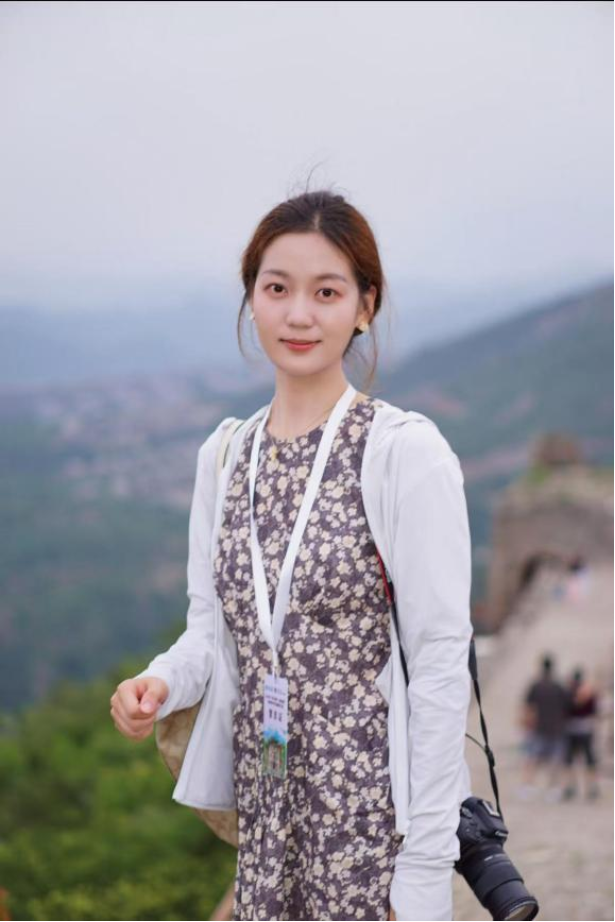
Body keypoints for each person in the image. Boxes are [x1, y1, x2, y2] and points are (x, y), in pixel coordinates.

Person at [109, 186, 475, 921]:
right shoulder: (225, 456)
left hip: (371, 828)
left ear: (365, 306)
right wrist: (161, 681)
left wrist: (424, 868)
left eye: (326, 292)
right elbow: (212, 632)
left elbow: (440, 663)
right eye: (277, 289)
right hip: (268, 818)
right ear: (252, 299)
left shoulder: (401, 453)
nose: (298, 314)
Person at [517, 653, 569, 800]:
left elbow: (528, 707)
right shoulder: (559, 686)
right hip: (556, 728)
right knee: (554, 761)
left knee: (531, 759)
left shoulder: (536, 686)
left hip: (538, 728)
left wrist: (525, 723)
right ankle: (553, 788)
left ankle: (528, 786)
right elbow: (567, 707)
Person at [560, 666, 601, 800]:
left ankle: (571, 786)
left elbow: (564, 710)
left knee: (570, 760)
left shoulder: (569, 693)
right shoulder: (589, 692)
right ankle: (591, 787)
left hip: (572, 728)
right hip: (585, 728)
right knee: (589, 760)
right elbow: (595, 711)